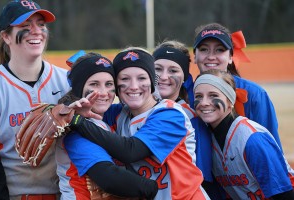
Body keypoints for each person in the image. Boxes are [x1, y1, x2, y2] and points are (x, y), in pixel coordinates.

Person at [68, 47, 210, 199]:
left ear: (152, 82)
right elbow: (91, 107)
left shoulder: (170, 114)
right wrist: (64, 110)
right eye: (124, 79)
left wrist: (76, 121)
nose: (134, 86)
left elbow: (130, 150)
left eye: (142, 78)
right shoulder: (120, 114)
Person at [0, 0, 71, 199]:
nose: (36, 31)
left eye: (41, 25)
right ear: (6, 37)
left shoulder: (67, 81)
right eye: (25, 26)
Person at [59, 51, 158, 199]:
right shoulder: (75, 130)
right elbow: (110, 179)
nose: (104, 93)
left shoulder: (108, 116)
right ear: (80, 88)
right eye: (94, 84)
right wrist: (152, 189)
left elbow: (144, 103)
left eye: (109, 84)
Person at [193, 69, 294, 199]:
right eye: (198, 96)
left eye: (214, 95)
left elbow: (284, 194)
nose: (204, 102)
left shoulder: (252, 138)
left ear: (230, 100)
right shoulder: (207, 139)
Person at [152, 40, 213, 193]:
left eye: (173, 71)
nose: (163, 77)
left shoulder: (192, 119)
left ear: (184, 77)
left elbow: (202, 174)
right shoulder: (131, 111)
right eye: (157, 69)